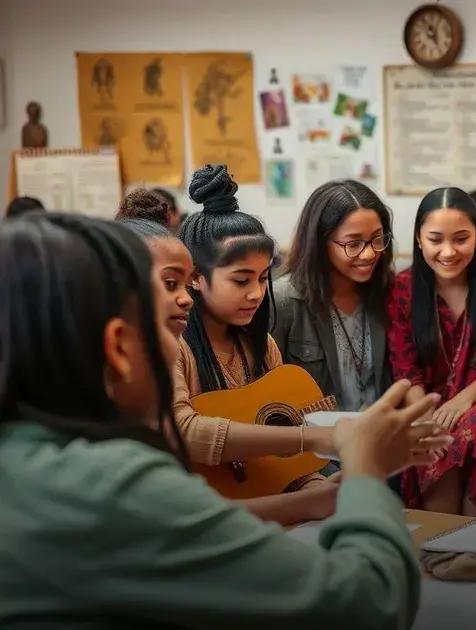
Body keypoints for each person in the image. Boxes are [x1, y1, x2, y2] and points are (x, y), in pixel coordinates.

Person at [0, 212, 450, 626]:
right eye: (163, 318)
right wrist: (365, 473)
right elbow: (366, 604)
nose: (183, 309)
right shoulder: (105, 486)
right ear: (118, 347)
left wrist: (322, 494)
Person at [174, 165, 336, 523]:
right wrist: (309, 439)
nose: (257, 294)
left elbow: (281, 464)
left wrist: (315, 487)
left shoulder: (260, 345)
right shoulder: (174, 347)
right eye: (241, 280)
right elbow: (185, 432)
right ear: (197, 278)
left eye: (263, 278)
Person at [388, 187, 476, 516]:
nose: (448, 252)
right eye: (436, 239)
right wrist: (423, 415)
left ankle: (473, 545)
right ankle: (441, 544)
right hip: (427, 401)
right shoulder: (402, 289)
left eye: (461, 238)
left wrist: (464, 400)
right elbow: (405, 367)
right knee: (430, 434)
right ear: (419, 239)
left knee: (475, 423)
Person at [273, 180, 395, 412]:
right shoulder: (284, 301)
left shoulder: (388, 292)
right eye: (353, 243)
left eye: (377, 238)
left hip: (380, 437)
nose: (369, 253)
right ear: (320, 243)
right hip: (316, 442)